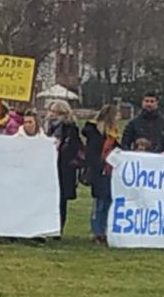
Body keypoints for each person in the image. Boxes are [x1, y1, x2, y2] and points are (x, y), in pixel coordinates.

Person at [81, 105, 120, 245]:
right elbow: (91, 154)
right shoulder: (95, 133)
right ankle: (97, 231)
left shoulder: (113, 133)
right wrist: (100, 164)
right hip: (99, 171)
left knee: (108, 201)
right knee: (100, 203)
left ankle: (105, 231)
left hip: (110, 171)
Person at [46, 100, 82, 231]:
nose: (53, 114)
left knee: (61, 200)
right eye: (52, 111)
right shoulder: (47, 128)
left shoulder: (71, 129)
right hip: (49, 167)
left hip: (64, 168)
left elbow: (75, 147)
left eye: (57, 112)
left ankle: (59, 227)